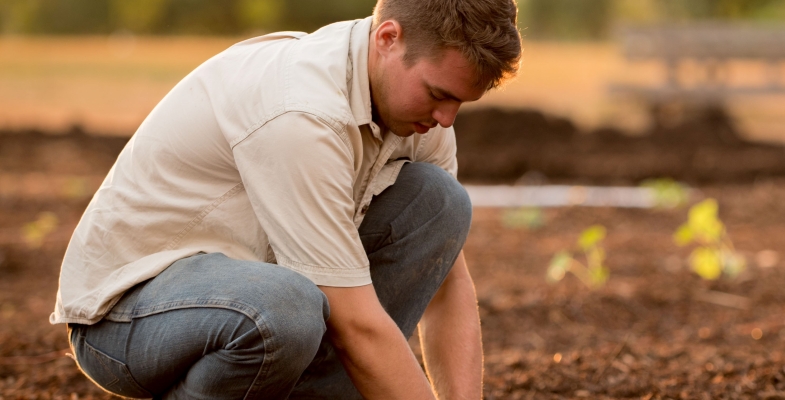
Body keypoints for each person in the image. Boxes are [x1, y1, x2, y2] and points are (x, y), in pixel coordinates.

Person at [49, 0, 521, 398]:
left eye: (459, 102)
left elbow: (447, 283)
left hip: (250, 291)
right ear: (387, 38)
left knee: (441, 203)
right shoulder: (301, 112)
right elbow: (355, 325)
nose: (446, 119)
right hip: (129, 315)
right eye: (439, 94)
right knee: (285, 310)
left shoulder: (418, 114)